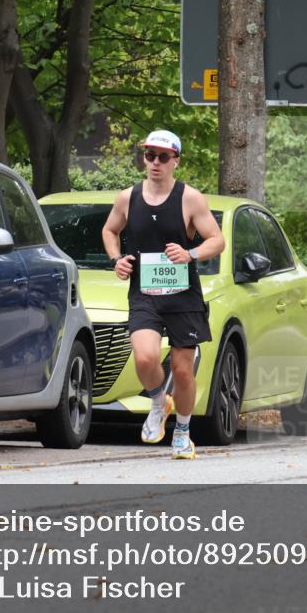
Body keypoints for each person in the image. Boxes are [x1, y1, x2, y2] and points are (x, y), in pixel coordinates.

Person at [102, 130, 226, 459]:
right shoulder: (128, 198)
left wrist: (191, 254)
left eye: (163, 157)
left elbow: (217, 240)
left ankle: (183, 432)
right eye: (149, 155)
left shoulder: (190, 199)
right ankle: (159, 402)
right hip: (145, 293)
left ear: (175, 161)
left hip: (183, 296)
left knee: (183, 370)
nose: (155, 162)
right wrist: (117, 260)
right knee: (144, 357)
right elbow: (110, 230)